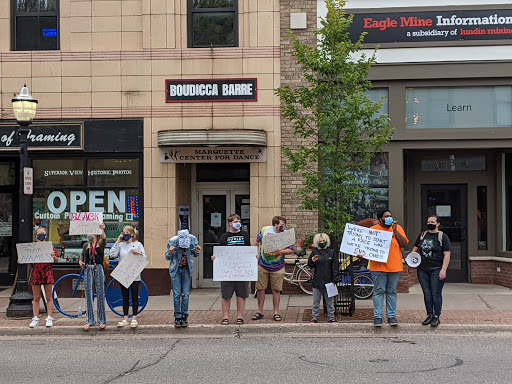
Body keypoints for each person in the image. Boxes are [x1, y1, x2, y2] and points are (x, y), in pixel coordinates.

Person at [211, 214, 255, 325]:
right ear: (230, 223)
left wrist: (254, 257)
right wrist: (215, 258)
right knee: (226, 295)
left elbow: (249, 251)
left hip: (242, 270)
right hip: (228, 271)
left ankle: (240, 317)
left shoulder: (244, 235)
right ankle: (225, 317)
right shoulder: (224, 236)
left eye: (239, 220)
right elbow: (220, 252)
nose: (238, 222)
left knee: (241, 294)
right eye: (236, 221)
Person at [369, 209, 408, 327]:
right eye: (387, 216)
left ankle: (391, 316)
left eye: (391, 215)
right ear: (380, 219)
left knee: (392, 291)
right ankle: (378, 317)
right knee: (379, 291)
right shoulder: (373, 230)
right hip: (378, 266)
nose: (390, 218)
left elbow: (404, 244)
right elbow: (367, 248)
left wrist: (395, 232)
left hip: (395, 266)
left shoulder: (398, 228)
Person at [410, 215, 451, 327]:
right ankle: (429, 314)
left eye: (432, 221)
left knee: (435, 294)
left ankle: (437, 316)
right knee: (427, 294)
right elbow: (415, 248)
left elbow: (447, 255)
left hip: (436, 269)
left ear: (438, 224)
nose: (430, 223)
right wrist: (411, 261)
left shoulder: (442, 236)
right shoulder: (422, 235)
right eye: (428, 221)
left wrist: (443, 270)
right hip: (423, 269)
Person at [252, 215, 294, 322]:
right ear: (276, 225)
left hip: (278, 266)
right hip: (263, 265)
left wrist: (282, 252)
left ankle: (276, 312)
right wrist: (255, 253)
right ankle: (260, 311)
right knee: (261, 289)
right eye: (282, 225)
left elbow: (291, 250)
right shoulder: (264, 230)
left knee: (276, 290)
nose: (284, 227)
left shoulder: (286, 235)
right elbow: (256, 241)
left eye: (284, 225)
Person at [109, 225, 147, 328]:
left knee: (134, 296)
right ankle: (125, 317)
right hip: (124, 274)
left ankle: (134, 317)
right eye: (123, 233)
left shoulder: (138, 244)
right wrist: (117, 241)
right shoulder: (121, 245)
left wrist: (139, 253)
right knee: (125, 297)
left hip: (134, 275)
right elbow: (112, 254)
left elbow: (144, 257)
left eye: (127, 233)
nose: (125, 235)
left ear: (132, 234)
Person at [165, 229, 201, 328]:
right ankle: (177, 316)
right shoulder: (173, 241)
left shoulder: (192, 239)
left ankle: (184, 316)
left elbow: (195, 254)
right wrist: (171, 252)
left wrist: (197, 250)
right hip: (176, 270)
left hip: (186, 269)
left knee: (185, 294)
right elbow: (167, 257)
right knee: (176, 294)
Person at [28, 227, 59, 328]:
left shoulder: (50, 246)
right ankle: (35, 318)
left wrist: (53, 256)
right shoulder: (32, 246)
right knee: (36, 297)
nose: (41, 235)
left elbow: (57, 260)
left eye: (43, 233)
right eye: (39, 233)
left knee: (49, 297)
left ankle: (49, 317)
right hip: (36, 273)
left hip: (47, 272)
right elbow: (27, 258)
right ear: (36, 235)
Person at [79, 223, 107, 331]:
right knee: (89, 294)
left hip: (98, 268)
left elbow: (104, 239)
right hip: (88, 268)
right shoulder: (86, 245)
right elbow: (82, 255)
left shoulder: (100, 242)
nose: (88, 234)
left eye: (90, 232)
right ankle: (90, 320)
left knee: (100, 293)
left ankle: (102, 320)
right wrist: (81, 261)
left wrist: (102, 230)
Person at [307, 233, 341, 323]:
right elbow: (310, 265)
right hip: (318, 280)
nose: (322, 243)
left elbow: (335, 267)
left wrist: (335, 279)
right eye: (320, 241)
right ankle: (314, 317)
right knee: (316, 301)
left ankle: (331, 317)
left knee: (330, 301)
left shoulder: (331, 252)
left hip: (329, 280)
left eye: (323, 241)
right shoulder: (315, 252)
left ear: (327, 241)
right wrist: (312, 261)